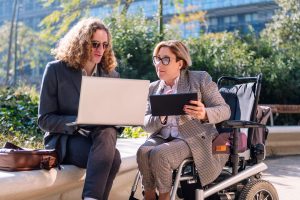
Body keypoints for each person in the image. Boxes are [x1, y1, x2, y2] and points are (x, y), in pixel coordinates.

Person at [38, 18, 121, 200]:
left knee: (108, 132)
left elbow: (115, 121)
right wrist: (78, 120)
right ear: (81, 43)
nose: (101, 50)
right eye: (95, 44)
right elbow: (44, 119)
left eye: (105, 45)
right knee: (113, 158)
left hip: (99, 139)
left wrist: (121, 116)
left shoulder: (110, 74)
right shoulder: (55, 70)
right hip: (66, 141)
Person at [136, 40, 231, 200]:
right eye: (157, 59)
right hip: (162, 137)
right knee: (143, 151)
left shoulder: (199, 79)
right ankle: (150, 195)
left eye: (165, 59)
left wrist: (204, 113)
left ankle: (165, 197)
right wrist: (161, 117)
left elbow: (225, 110)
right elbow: (145, 124)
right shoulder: (153, 88)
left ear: (180, 63)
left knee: (160, 154)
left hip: (192, 138)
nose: (159, 63)